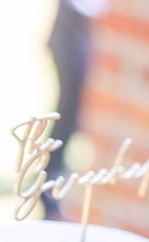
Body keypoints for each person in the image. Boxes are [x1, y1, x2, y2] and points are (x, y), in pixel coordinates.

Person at [42, 0, 108, 220]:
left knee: (71, 116)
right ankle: (49, 182)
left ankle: (52, 178)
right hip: (71, 29)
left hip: (80, 29)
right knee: (66, 116)